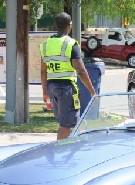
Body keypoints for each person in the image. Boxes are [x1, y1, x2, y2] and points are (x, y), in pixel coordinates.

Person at [40, 12, 96, 140]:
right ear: (69, 26)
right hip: (66, 88)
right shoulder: (71, 44)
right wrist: (92, 91)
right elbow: (81, 70)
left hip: (52, 86)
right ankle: (60, 152)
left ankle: (66, 150)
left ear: (56, 25)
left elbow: (43, 72)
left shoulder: (45, 45)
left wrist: (44, 92)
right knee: (66, 125)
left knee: (64, 123)